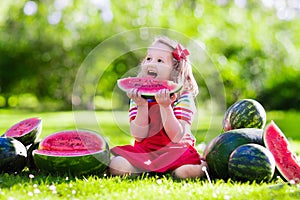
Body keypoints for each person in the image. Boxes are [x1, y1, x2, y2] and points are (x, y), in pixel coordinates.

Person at [109, 36, 208, 179]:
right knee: (117, 166)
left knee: (183, 173)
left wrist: (166, 107)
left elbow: (177, 137)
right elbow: (138, 135)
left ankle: (202, 167)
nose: (151, 64)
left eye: (160, 60)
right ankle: (148, 169)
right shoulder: (139, 94)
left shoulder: (183, 97)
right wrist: (142, 106)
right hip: (146, 152)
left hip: (176, 151)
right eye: (148, 58)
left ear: (175, 70)